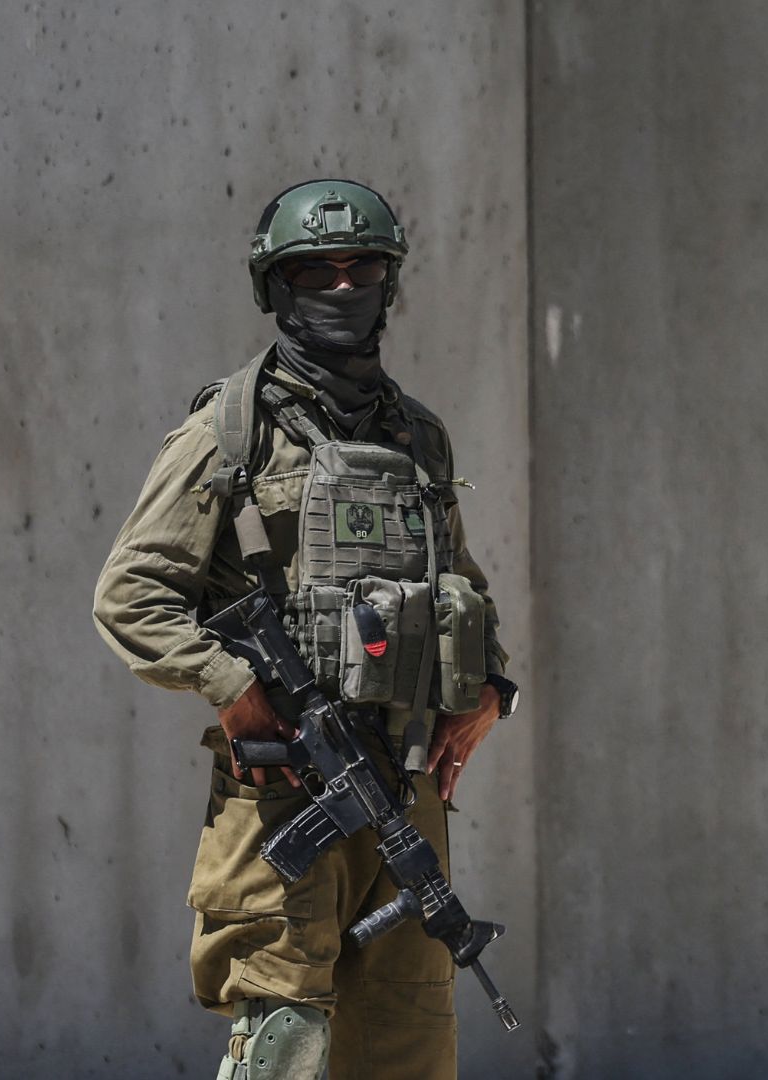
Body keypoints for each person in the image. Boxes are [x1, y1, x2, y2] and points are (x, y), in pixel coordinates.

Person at [93, 178, 518, 1080]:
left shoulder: (417, 439)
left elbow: (463, 589)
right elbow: (131, 595)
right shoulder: (227, 433)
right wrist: (231, 687)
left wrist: (490, 691)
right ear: (274, 286)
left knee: (409, 1055)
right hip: (287, 791)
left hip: (406, 794)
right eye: (312, 270)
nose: (339, 286)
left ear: (388, 282)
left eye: (360, 266)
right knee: (284, 1046)